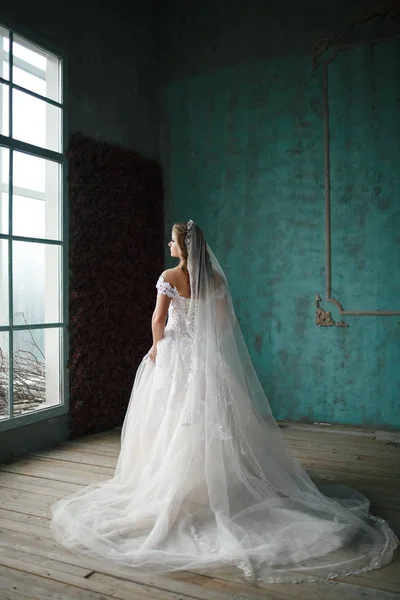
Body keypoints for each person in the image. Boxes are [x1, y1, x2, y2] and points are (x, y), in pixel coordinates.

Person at [51, 220, 398, 583]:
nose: (169, 245)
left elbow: (158, 319)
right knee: (205, 417)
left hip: (174, 355)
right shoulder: (215, 281)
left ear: (183, 247)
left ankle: (174, 485)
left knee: (169, 417)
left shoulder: (170, 275)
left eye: (172, 240)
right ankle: (212, 481)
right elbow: (221, 325)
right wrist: (204, 350)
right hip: (203, 359)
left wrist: (156, 347)